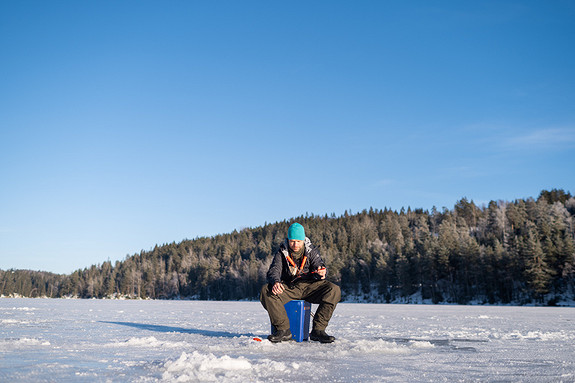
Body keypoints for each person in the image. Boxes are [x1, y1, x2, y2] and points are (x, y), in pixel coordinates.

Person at [260, 222, 341, 343]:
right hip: (290, 288)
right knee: (266, 290)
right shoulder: (281, 252)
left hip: (310, 287)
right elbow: (274, 270)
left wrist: (322, 271)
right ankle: (283, 330)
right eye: (292, 241)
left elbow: (319, 264)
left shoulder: (311, 250)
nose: (295, 244)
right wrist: (276, 282)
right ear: (288, 239)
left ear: (303, 240)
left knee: (333, 290)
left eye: (298, 241)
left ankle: (318, 330)